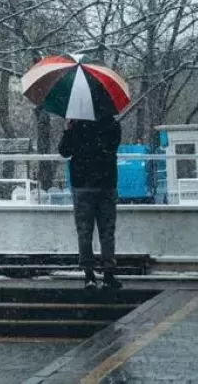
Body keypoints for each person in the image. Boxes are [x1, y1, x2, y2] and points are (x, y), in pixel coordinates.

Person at [58, 115, 122, 289]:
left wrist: (68, 130)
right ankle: (108, 273)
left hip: (82, 184)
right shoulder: (111, 123)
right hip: (106, 183)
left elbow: (64, 151)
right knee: (107, 230)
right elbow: (113, 146)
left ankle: (89, 275)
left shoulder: (77, 124)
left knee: (84, 231)